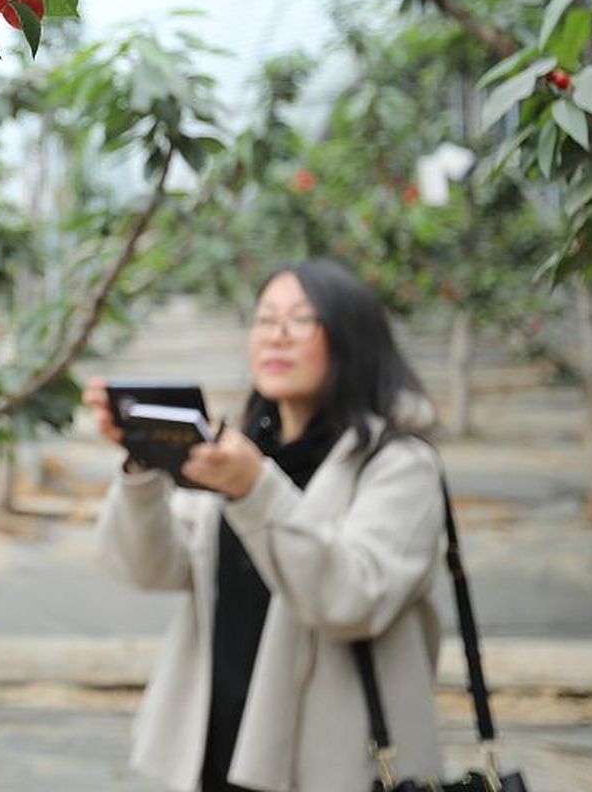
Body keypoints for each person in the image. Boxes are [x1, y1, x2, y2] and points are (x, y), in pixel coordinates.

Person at [85, 259, 446, 792]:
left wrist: (256, 490)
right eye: (265, 320)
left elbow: (353, 598)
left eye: (300, 321)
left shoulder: (397, 463)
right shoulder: (241, 451)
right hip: (224, 749)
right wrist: (143, 464)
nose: (276, 337)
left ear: (351, 339)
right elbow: (153, 568)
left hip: (335, 765)